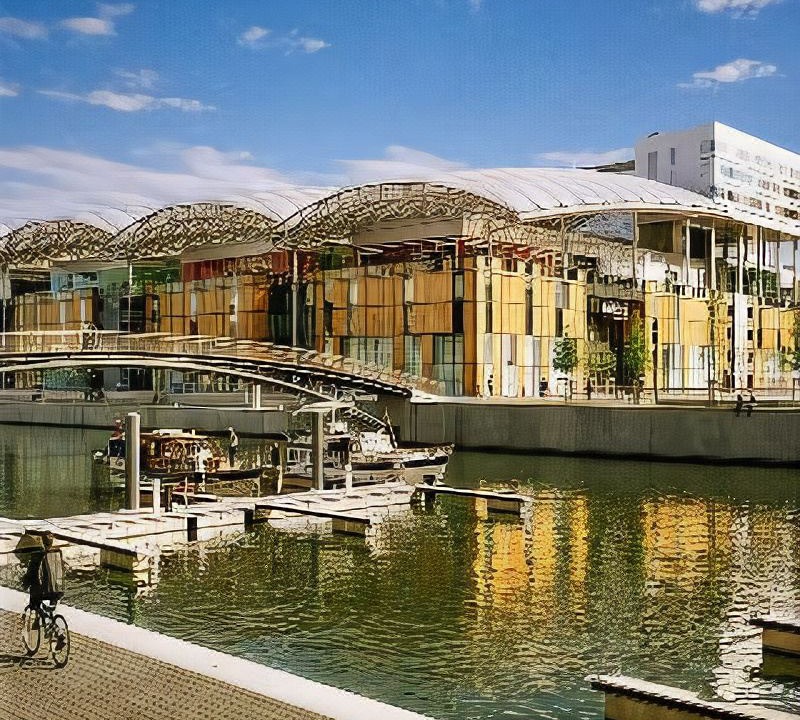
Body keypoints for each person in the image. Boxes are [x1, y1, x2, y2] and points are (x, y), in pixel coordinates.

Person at [21, 532, 64, 614]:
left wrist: (25, 582)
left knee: (35, 596)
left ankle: (37, 614)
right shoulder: (52, 555)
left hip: (42, 590)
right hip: (49, 590)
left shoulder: (37, 556)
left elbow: (32, 571)